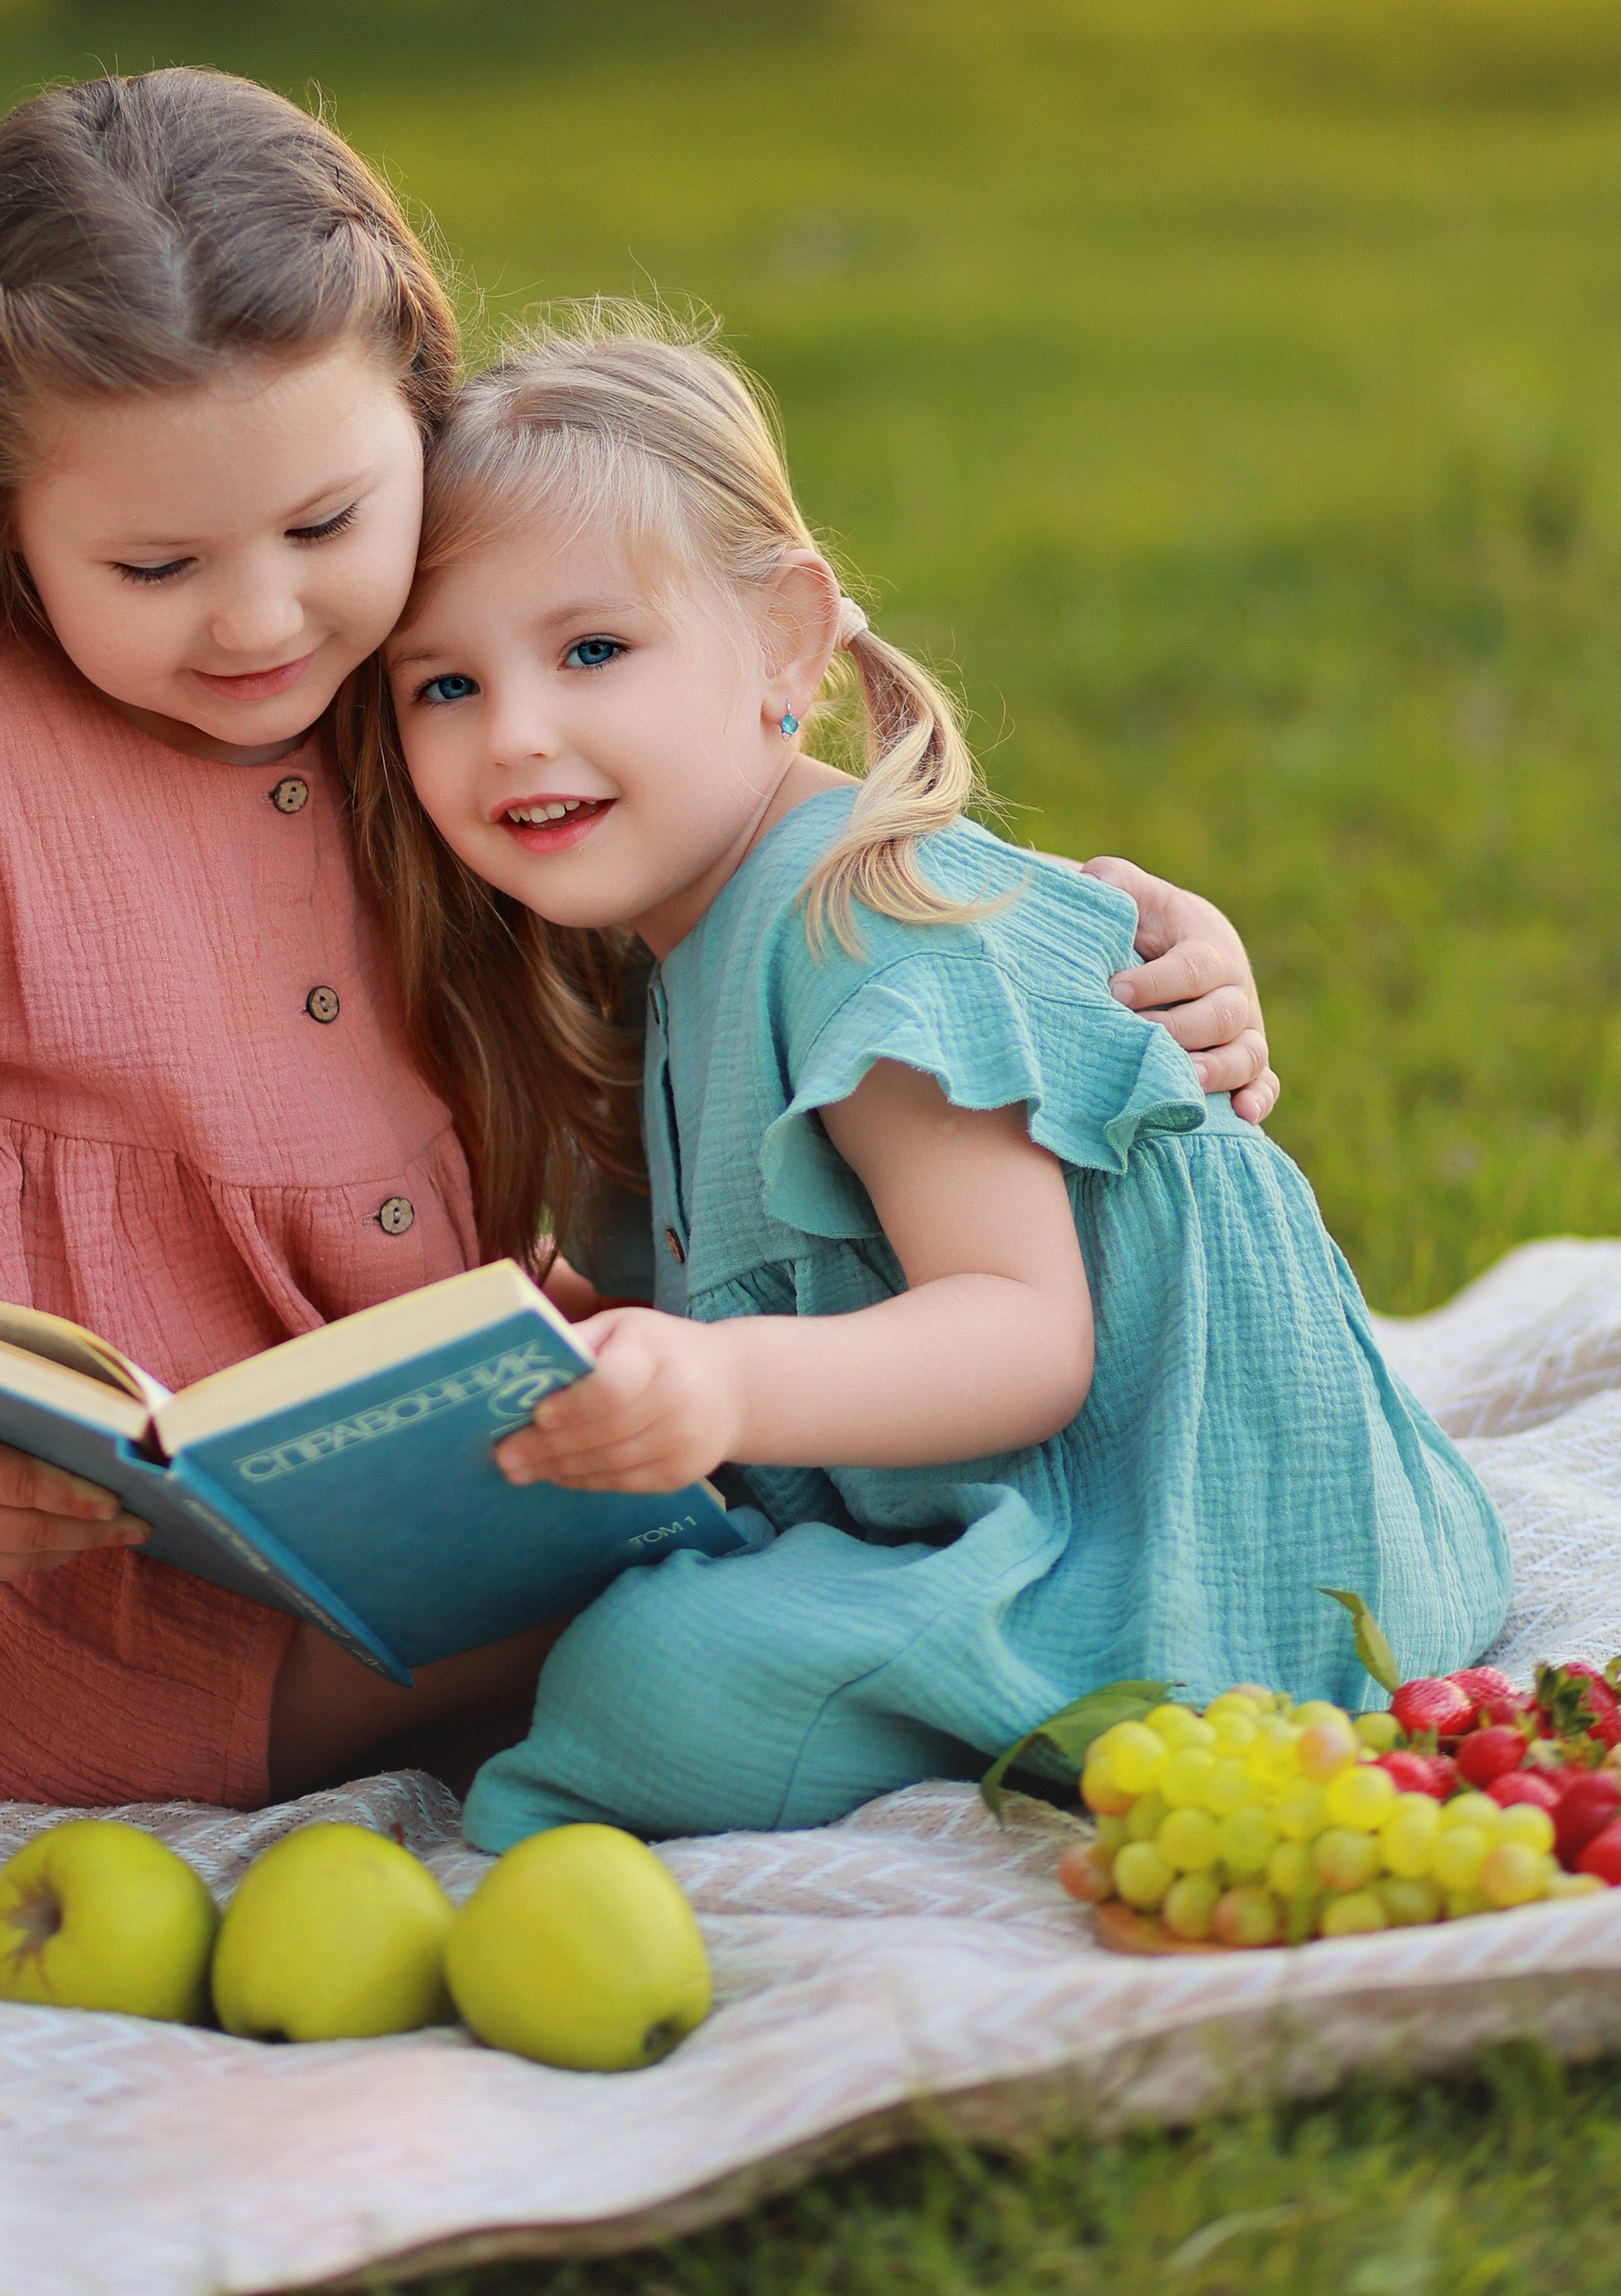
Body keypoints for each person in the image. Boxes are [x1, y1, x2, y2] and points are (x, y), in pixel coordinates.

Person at [0, 72, 1279, 1810]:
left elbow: (754, 827)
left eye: (323, 525)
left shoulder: (421, 691)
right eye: (153, 565)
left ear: (417, 426)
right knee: (769, 1603)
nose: (256, 617)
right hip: (26, 1590)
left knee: (810, 1496)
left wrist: (1085, 948)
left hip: (411, 1502)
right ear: (0, 519)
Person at [354, 321, 1511, 1848]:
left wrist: (717, 1390)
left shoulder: (857, 926)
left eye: (592, 652)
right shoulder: (679, 940)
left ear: (783, 642)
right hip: (1000, 1518)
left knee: (644, 1682)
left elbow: (1026, 1339)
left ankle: (513, 1849)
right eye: (441, 685)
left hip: (1200, 1570)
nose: (515, 735)